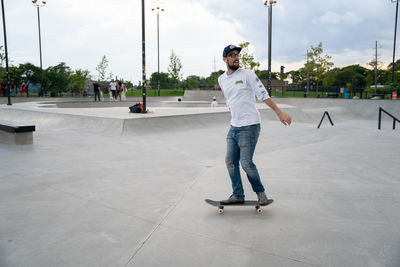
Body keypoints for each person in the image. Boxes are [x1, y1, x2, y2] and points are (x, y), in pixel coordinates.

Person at [218, 44, 292, 205]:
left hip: (250, 125)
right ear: (225, 59)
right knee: (230, 162)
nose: (236, 57)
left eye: (237, 54)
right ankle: (238, 195)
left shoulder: (248, 75)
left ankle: (261, 194)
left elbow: (263, 95)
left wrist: (280, 113)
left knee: (246, 163)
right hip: (234, 127)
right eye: (231, 55)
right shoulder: (221, 79)